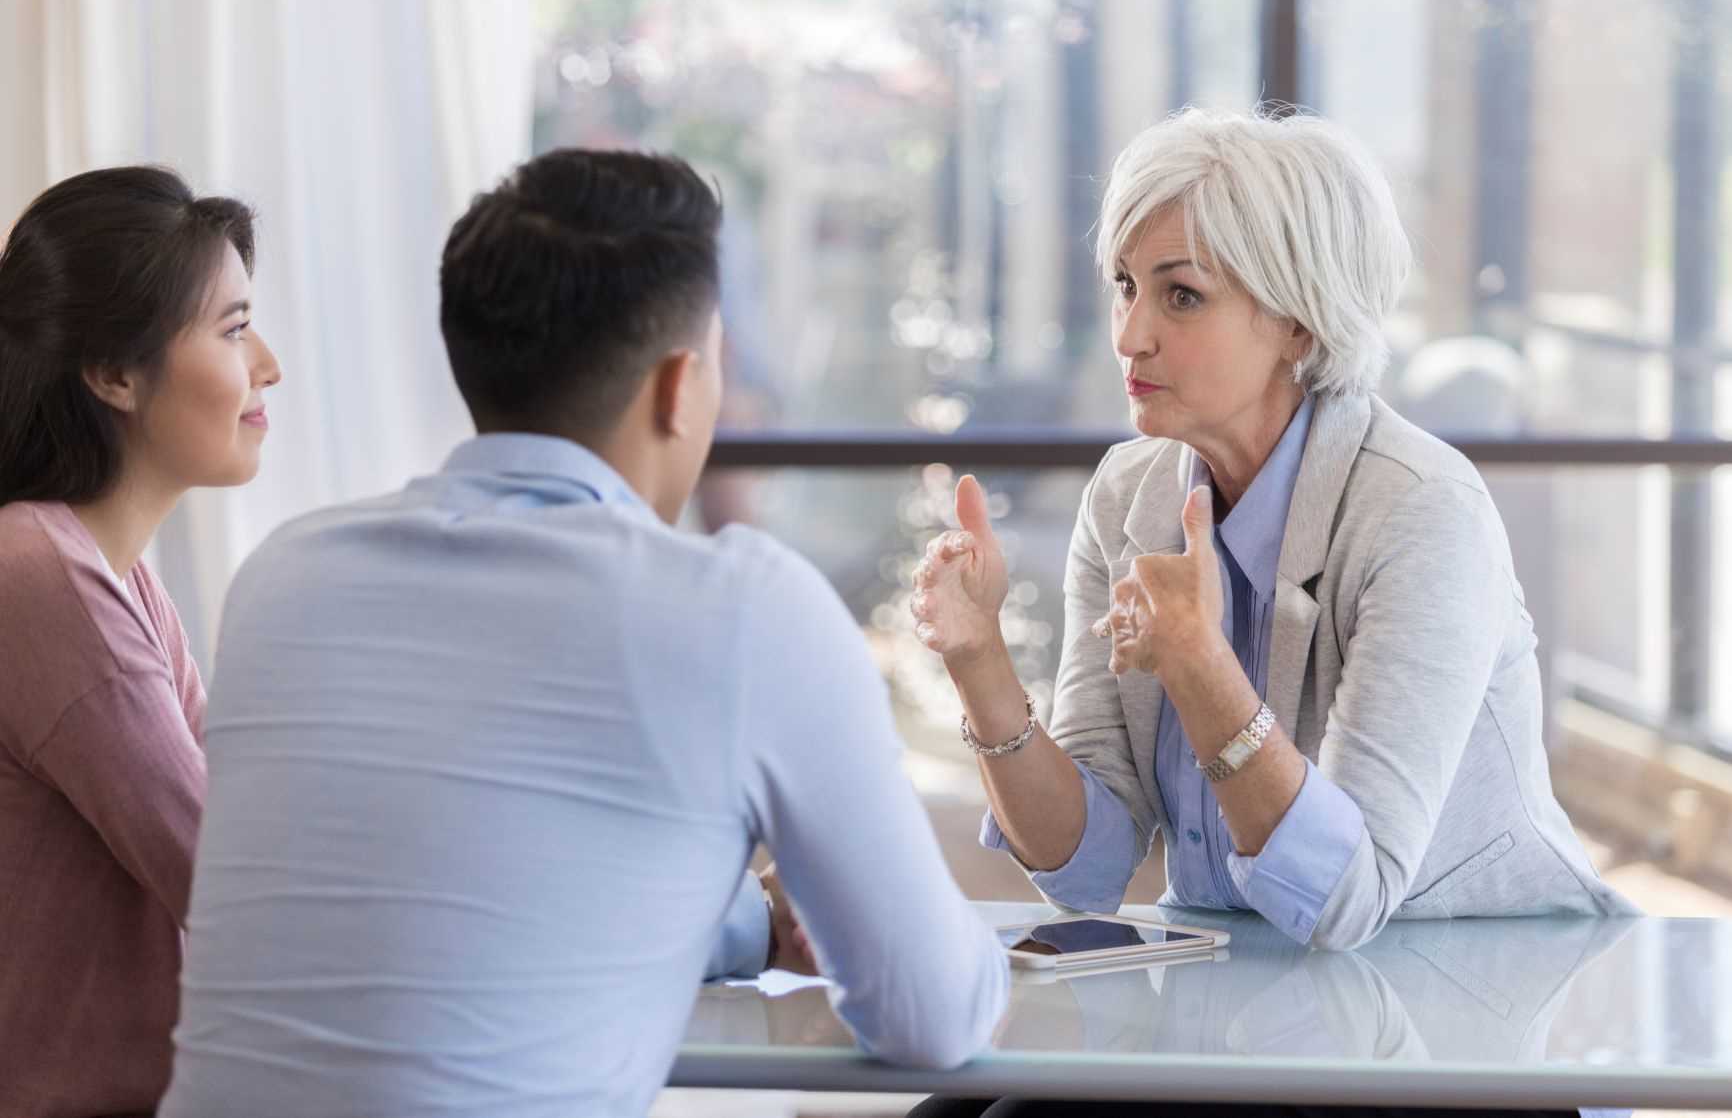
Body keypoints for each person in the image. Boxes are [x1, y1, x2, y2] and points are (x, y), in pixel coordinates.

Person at [160, 149, 1008, 1118]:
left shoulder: (285, 578)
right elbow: (931, 1014)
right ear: (681, 386)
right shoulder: (743, 608)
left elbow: (474, 902)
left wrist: (746, 921)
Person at [907, 104, 1634, 1118]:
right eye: (1125, 285)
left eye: (1181, 295)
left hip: (1460, 1019)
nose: (1130, 333)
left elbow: (1344, 898)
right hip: (1241, 998)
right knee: (957, 1108)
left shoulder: (1421, 508)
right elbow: (1088, 866)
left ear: (1299, 320)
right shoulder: (1129, 494)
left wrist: (1200, 665)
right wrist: (979, 662)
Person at [0, 166, 280, 1118]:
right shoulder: (41, 578)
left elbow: (233, 818)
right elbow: (225, 882)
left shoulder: (112, 578)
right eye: (235, 330)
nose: (268, 366)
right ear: (115, 373)